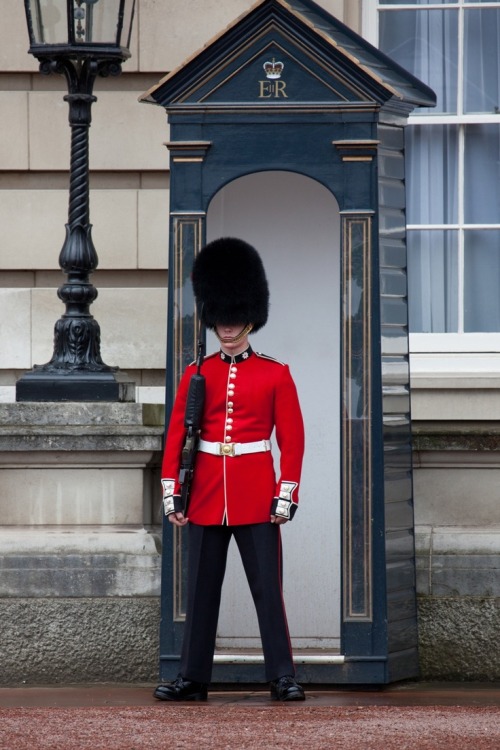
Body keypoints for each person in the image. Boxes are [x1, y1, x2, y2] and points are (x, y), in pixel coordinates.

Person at [154, 237, 305, 702]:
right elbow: (177, 434)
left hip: (256, 493)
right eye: (220, 319)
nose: (227, 328)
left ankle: (281, 675)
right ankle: (193, 678)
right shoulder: (197, 373)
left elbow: (292, 439)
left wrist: (286, 492)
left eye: (235, 320)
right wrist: (171, 493)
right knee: (200, 595)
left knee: (267, 592)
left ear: (251, 318)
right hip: (204, 497)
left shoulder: (275, 373)